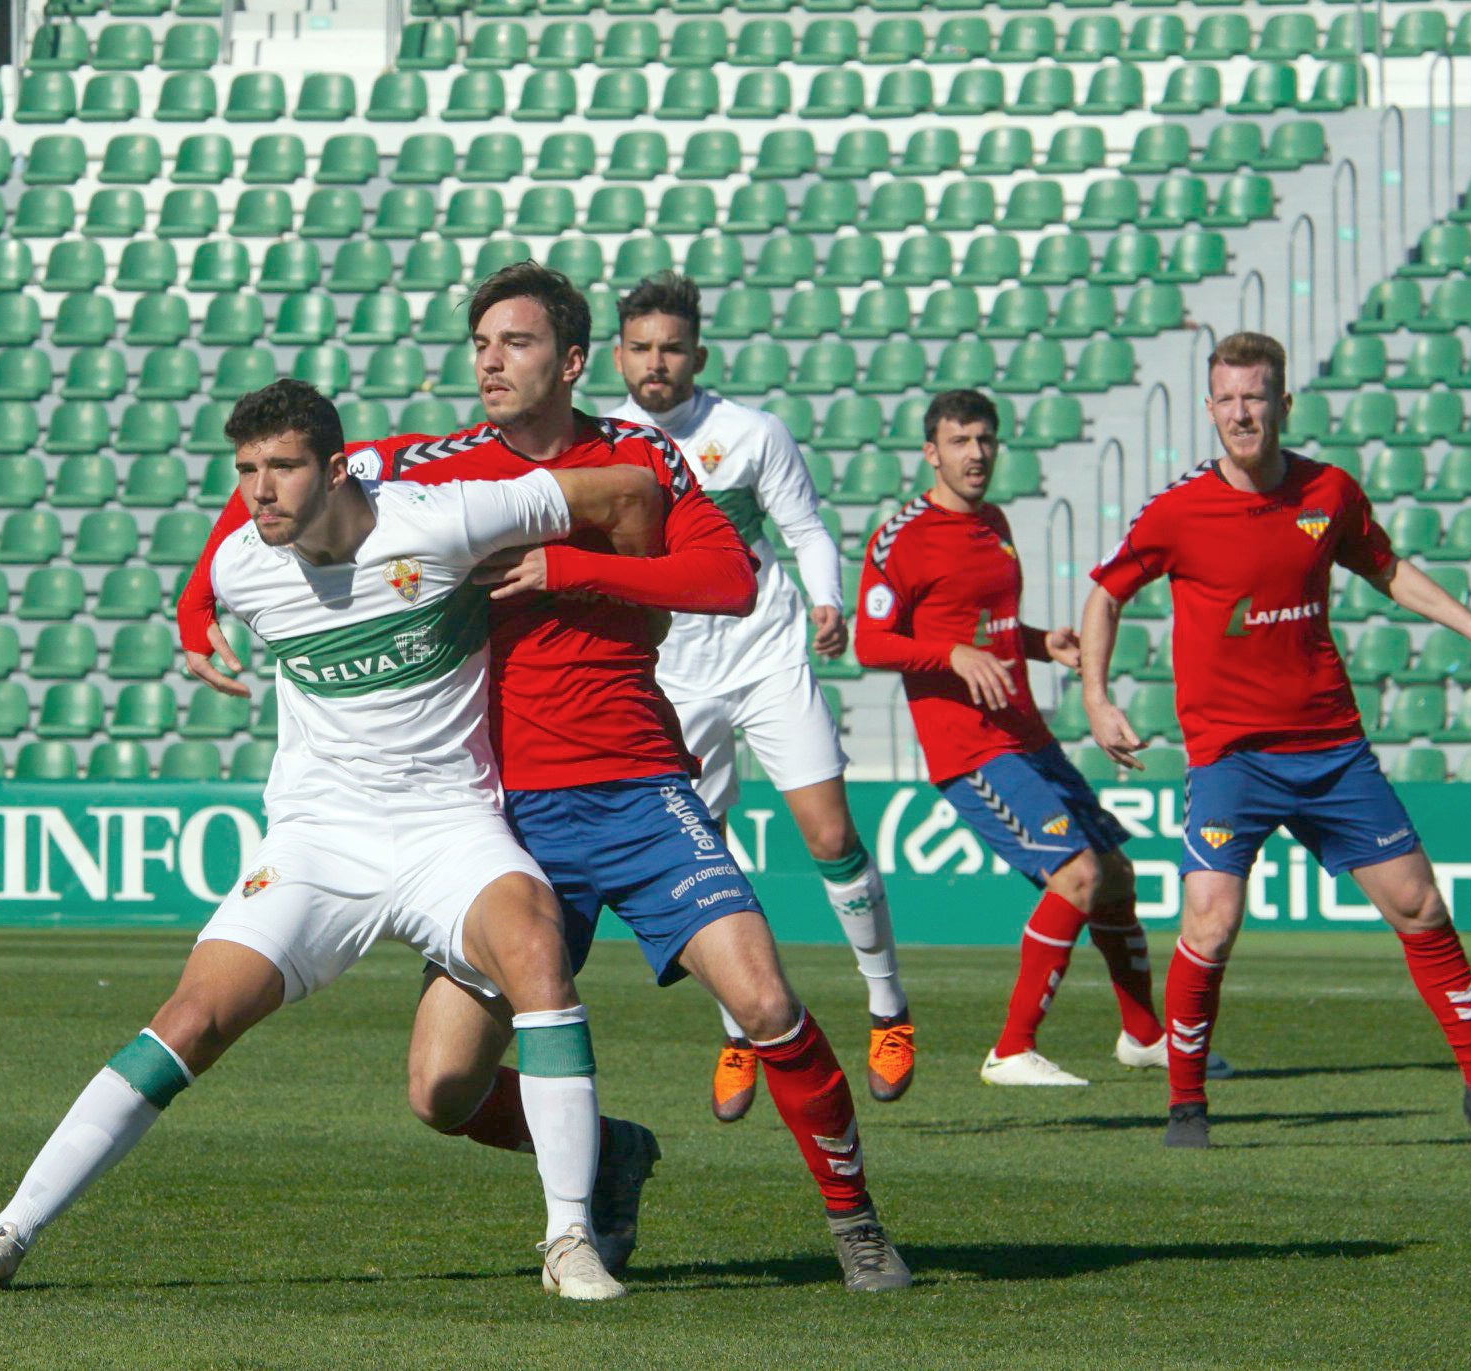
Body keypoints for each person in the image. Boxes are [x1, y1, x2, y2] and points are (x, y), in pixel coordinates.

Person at [179, 264, 910, 1292]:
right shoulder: (436, 466)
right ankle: (610, 1150)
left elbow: (730, 579)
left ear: (570, 363)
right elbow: (273, 486)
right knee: (439, 1089)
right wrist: (191, 608)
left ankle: (857, 1223)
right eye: (480, 342)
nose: (488, 359)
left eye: (514, 343)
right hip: (505, 816)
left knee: (767, 1003)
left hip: (641, 786)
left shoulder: (640, 455)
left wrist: (570, 567)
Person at [0, 380, 668, 1300]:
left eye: (281, 467)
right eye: (246, 471)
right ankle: (7, 1230)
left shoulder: (445, 520)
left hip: (451, 826)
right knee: (189, 1020)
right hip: (323, 839)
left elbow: (627, 489)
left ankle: (568, 1241)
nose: (260, 491)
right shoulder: (246, 566)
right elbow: (207, 585)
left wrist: (640, 630)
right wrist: (193, 619)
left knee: (534, 947)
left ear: (338, 466)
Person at [1080, 331, 1471, 1149]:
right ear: (1211, 409)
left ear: (1283, 404)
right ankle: (1186, 1107)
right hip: (1232, 756)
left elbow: (1386, 567)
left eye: (1257, 395)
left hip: (1332, 747)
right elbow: (1105, 593)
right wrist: (1096, 698)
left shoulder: (1329, 491)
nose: (1243, 412)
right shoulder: (1177, 511)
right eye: (1228, 398)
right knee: (1210, 921)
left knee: (1420, 905)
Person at [608, 272, 913, 1124]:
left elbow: (805, 526)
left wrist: (825, 597)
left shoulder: (749, 433)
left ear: (697, 355)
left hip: (765, 648)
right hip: (672, 668)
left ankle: (887, 1007)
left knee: (829, 832)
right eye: (641, 347)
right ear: (618, 355)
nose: (656, 363)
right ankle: (742, 1020)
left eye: (671, 348)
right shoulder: (603, 443)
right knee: (703, 859)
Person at [854, 389, 1222, 1088]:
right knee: (1077, 874)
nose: (977, 454)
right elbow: (873, 641)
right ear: (930, 452)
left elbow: (980, 625)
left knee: (1115, 874)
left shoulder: (993, 521)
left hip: (1026, 733)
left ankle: (1144, 1035)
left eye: (986, 439)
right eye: (960, 441)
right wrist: (953, 656)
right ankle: (1011, 1049)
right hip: (970, 748)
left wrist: (1036, 641)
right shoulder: (900, 535)